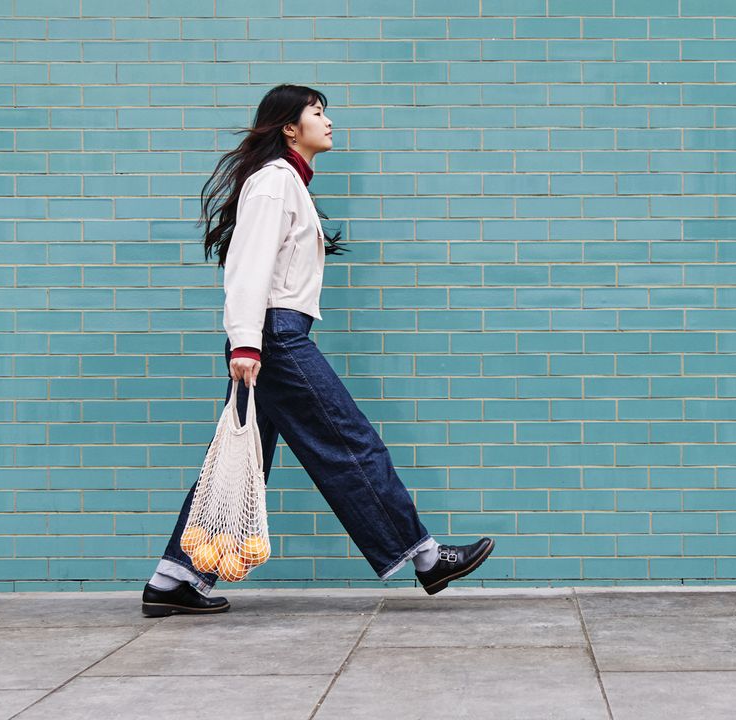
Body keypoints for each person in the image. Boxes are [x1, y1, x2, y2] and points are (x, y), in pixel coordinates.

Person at [141, 84, 494, 617]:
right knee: (350, 441)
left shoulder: (289, 184)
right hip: (274, 339)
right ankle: (425, 557)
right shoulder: (274, 183)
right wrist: (246, 344)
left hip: (274, 336)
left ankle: (174, 579)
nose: (328, 122)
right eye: (318, 113)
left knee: (242, 463)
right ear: (290, 126)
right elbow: (247, 268)